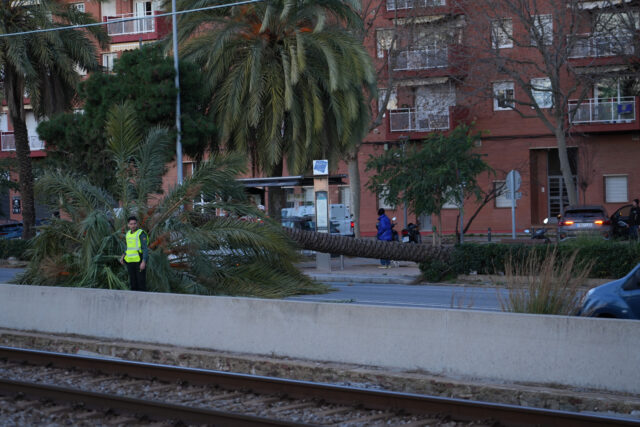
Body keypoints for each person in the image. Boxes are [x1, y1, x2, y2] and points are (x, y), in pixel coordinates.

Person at [119, 216, 148, 291]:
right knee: (133, 282)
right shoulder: (128, 234)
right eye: (131, 224)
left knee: (141, 282)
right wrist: (122, 257)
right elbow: (127, 247)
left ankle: (142, 297)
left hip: (139, 261)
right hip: (130, 261)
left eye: (134, 223)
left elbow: (145, 248)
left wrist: (144, 262)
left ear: (137, 224)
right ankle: (134, 297)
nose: (133, 225)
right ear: (128, 225)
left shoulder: (141, 233)